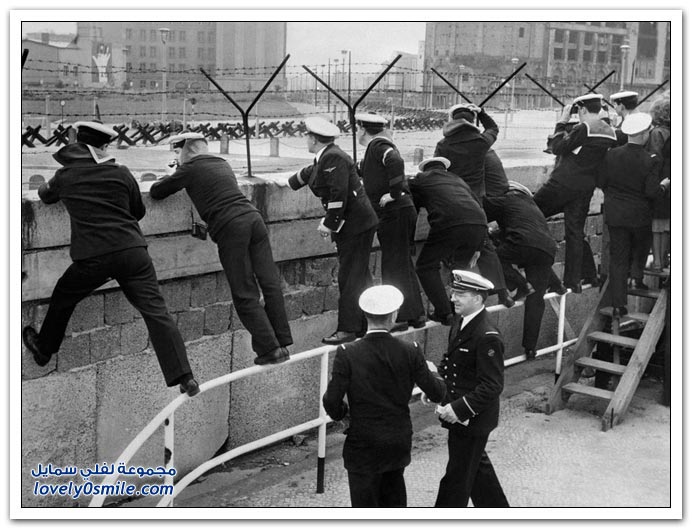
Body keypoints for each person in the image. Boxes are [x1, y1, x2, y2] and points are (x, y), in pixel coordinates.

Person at [22, 122, 200, 396]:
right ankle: (184, 375)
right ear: (103, 148)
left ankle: (44, 349)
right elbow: (138, 211)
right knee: (156, 313)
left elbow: (45, 197)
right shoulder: (121, 172)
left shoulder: (65, 176)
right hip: (133, 252)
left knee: (63, 295)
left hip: (94, 257)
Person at [150, 132, 293, 366]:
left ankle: (269, 349)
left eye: (177, 152)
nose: (178, 157)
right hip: (253, 219)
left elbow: (157, 191)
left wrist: (173, 173)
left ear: (186, 150)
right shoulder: (222, 163)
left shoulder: (190, 168)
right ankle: (282, 342)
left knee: (244, 290)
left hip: (231, 227)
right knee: (269, 282)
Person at [322, 285, 447, 507]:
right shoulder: (411, 350)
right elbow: (437, 392)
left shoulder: (347, 353)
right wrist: (434, 372)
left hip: (362, 441)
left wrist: (345, 415)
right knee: (394, 501)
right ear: (394, 315)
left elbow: (330, 401)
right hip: (396, 440)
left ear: (364, 314)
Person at [288, 117, 378, 345]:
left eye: (307, 136)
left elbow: (339, 195)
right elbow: (311, 172)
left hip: (356, 224)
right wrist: (292, 181)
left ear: (313, 138)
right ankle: (368, 323)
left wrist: (329, 223)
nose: (305, 139)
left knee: (349, 277)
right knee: (360, 276)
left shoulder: (334, 157)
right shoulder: (326, 156)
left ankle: (348, 330)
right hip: (356, 223)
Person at [433, 270, 509, 507]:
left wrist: (458, 409)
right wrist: (436, 388)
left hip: (473, 418)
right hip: (461, 415)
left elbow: (492, 385)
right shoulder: (461, 321)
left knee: (457, 478)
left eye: (460, 294)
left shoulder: (487, 335)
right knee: (476, 470)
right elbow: (450, 362)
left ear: (478, 298)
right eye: (454, 292)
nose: (453, 298)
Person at [533, 93, 617, 293]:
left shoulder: (584, 128)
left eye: (578, 112)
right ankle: (576, 280)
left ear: (582, 110)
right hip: (585, 188)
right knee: (575, 232)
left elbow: (557, 147)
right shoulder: (610, 132)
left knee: (529, 212)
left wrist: (562, 122)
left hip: (561, 184)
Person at [434, 103, 514, 307]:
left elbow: (437, 168)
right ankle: (503, 292)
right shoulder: (480, 142)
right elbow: (494, 129)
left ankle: (453, 298)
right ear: (471, 122)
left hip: (453, 201)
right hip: (476, 204)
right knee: (486, 247)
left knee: (452, 250)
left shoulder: (445, 144)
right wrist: (483, 113)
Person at [355, 112, 426, 332]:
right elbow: (364, 171)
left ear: (362, 129)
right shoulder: (373, 151)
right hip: (400, 213)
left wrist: (394, 193)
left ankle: (402, 316)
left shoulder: (378, 145)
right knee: (402, 263)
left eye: (358, 129)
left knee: (393, 266)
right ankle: (415, 314)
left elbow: (395, 161)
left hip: (395, 211)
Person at [598, 113, 670, 318]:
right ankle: (636, 278)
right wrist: (664, 186)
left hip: (615, 215)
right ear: (644, 134)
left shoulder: (610, 155)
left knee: (618, 257)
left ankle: (619, 304)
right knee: (641, 246)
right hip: (639, 216)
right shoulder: (650, 161)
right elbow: (652, 192)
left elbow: (601, 180)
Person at [483, 181, 564, 360]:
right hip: (547, 250)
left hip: (522, 244)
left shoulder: (506, 199)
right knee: (536, 301)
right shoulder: (532, 207)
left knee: (494, 259)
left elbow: (480, 206)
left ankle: (522, 285)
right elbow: (524, 229)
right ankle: (530, 348)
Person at [408, 157, 488, 326]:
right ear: (445, 169)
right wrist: (479, 245)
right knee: (459, 270)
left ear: (425, 170)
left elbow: (406, 196)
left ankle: (444, 313)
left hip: (450, 223)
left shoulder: (422, 179)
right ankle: (461, 311)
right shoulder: (459, 181)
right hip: (479, 225)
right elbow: (478, 205)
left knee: (426, 266)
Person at [645, 98, 671, 272]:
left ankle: (658, 262)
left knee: (657, 225)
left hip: (661, 181)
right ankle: (663, 261)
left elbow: (654, 159)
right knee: (666, 225)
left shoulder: (657, 133)